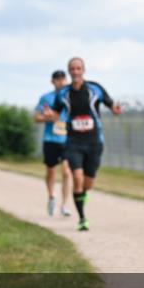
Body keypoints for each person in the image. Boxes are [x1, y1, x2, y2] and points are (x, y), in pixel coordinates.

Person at [44, 57, 121, 231]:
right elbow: (56, 114)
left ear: (83, 70)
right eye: (72, 69)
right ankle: (82, 218)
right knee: (76, 178)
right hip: (73, 142)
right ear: (69, 71)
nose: (75, 72)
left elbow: (111, 105)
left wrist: (115, 109)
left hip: (94, 142)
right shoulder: (63, 93)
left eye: (78, 68)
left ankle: (82, 195)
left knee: (88, 184)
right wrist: (50, 115)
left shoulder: (95, 88)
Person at [34, 70, 74, 217]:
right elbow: (36, 117)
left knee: (66, 171)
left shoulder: (71, 97)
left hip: (67, 139)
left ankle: (65, 205)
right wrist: (47, 118)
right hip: (50, 139)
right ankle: (51, 196)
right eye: (57, 79)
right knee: (51, 171)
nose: (60, 81)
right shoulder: (46, 98)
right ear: (52, 81)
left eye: (63, 78)